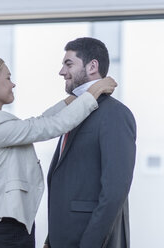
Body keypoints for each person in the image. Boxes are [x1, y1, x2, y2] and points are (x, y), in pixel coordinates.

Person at [0, 55, 117, 248]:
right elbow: (51, 126)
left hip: (10, 225)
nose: (13, 84)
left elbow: (38, 121)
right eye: (8, 78)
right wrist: (92, 93)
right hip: (7, 229)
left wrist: (72, 99)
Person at [44, 37, 136, 248]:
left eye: (69, 64)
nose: (61, 72)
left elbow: (114, 191)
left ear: (92, 66)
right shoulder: (72, 112)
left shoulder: (115, 114)